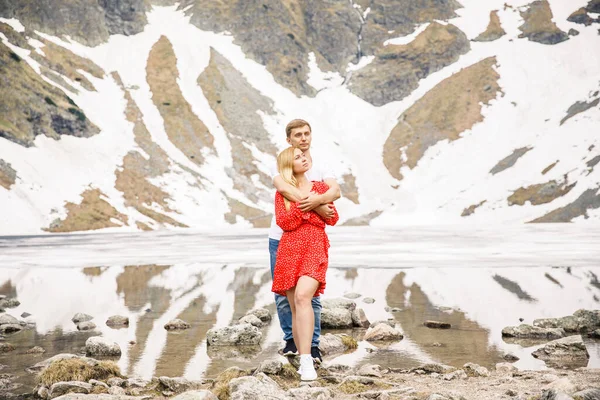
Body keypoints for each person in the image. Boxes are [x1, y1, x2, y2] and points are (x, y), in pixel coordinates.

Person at [268, 119, 341, 364]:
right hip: (281, 239)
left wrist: (319, 202)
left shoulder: (320, 166)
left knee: (309, 296)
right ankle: (292, 340)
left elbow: (335, 193)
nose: (303, 138)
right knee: (284, 296)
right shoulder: (281, 166)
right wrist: (317, 205)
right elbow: (285, 190)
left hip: (311, 241)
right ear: (288, 139)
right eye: (298, 135)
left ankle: (312, 345)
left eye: (307, 133)